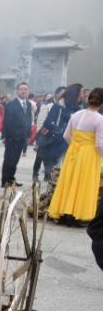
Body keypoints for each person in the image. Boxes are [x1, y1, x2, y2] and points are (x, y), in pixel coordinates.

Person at [47, 87, 103, 224]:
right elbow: (99, 144)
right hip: (89, 155)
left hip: (73, 151)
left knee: (69, 181)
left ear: (88, 100)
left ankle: (64, 212)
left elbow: (66, 135)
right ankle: (77, 214)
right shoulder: (100, 119)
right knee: (83, 183)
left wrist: (75, 145)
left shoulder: (76, 114)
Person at [36, 83, 82, 185]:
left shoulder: (78, 109)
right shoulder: (58, 107)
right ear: (74, 95)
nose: (82, 96)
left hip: (71, 145)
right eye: (81, 93)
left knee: (66, 174)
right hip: (57, 145)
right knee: (56, 174)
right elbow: (48, 123)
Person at [0, 82, 32, 187]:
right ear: (17, 91)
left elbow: (29, 120)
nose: (24, 91)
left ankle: (11, 179)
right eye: (21, 89)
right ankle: (5, 180)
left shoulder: (28, 104)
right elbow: (7, 121)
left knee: (16, 160)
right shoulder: (11, 104)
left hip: (22, 138)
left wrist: (28, 135)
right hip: (12, 137)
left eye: (26, 89)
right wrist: (5, 136)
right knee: (9, 159)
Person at [33, 87, 66, 181]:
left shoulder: (65, 107)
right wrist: (39, 137)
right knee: (40, 155)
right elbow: (41, 121)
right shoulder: (48, 106)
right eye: (62, 94)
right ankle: (35, 174)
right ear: (57, 94)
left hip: (56, 137)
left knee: (50, 156)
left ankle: (48, 175)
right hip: (45, 135)